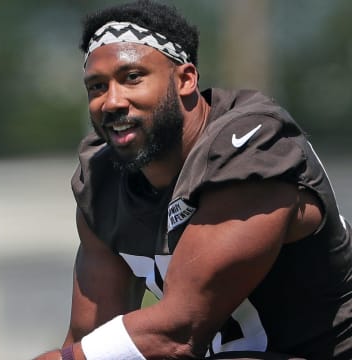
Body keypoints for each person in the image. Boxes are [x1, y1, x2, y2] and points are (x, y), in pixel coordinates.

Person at [34, 0, 352, 359]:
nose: (112, 102)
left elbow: (178, 332)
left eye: (132, 78)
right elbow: (91, 339)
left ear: (186, 80)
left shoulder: (251, 147)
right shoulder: (102, 181)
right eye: (96, 87)